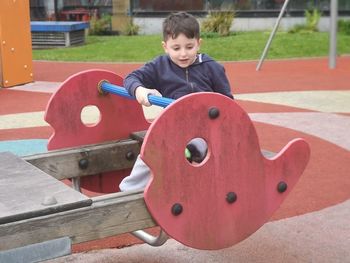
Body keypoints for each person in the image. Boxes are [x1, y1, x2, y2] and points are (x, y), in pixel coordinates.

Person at [119, 11, 233, 191]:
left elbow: (228, 103)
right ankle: (127, 191)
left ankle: (199, 179)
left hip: (205, 130)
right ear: (165, 47)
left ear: (198, 43)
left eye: (189, 47)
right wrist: (140, 90)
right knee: (151, 151)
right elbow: (131, 78)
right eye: (176, 48)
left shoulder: (211, 68)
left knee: (201, 150)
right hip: (172, 126)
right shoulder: (160, 66)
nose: (183, 54)